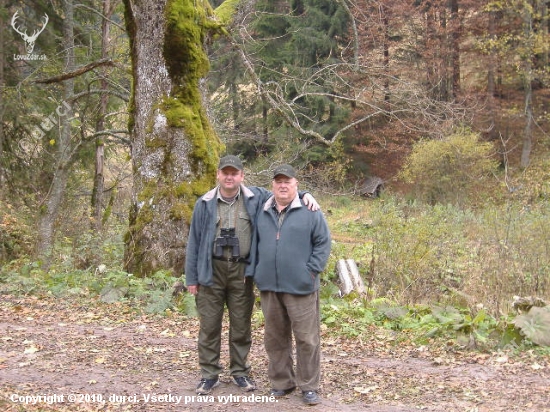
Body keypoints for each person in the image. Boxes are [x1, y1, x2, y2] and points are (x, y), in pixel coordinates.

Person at [185, 155, 319, 396]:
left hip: (242, 271)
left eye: (234, 173)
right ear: (218, 175)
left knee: (241, 325)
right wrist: (192, 278)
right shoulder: (203, 203)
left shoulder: (256, 198)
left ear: (241, 176)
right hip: (211, 270)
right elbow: (193, 242)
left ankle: (240, 372)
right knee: (209, 325)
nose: (229, 177)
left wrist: (305, 193)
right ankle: (209, 374)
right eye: (225, 172)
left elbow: (284, 191)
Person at [253, 164, 331, 405]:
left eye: (288, 181)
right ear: (272, 185)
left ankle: (309, 386)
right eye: (278, 181)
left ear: (296, 184)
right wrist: (257, 271)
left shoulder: (310, 211)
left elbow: (323, 243)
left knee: (307, 338)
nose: (283, 185)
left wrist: (310, 272)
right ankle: (281, 383)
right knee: (275, 338)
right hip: (270, 286)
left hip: (301, 287)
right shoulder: (262, 210)